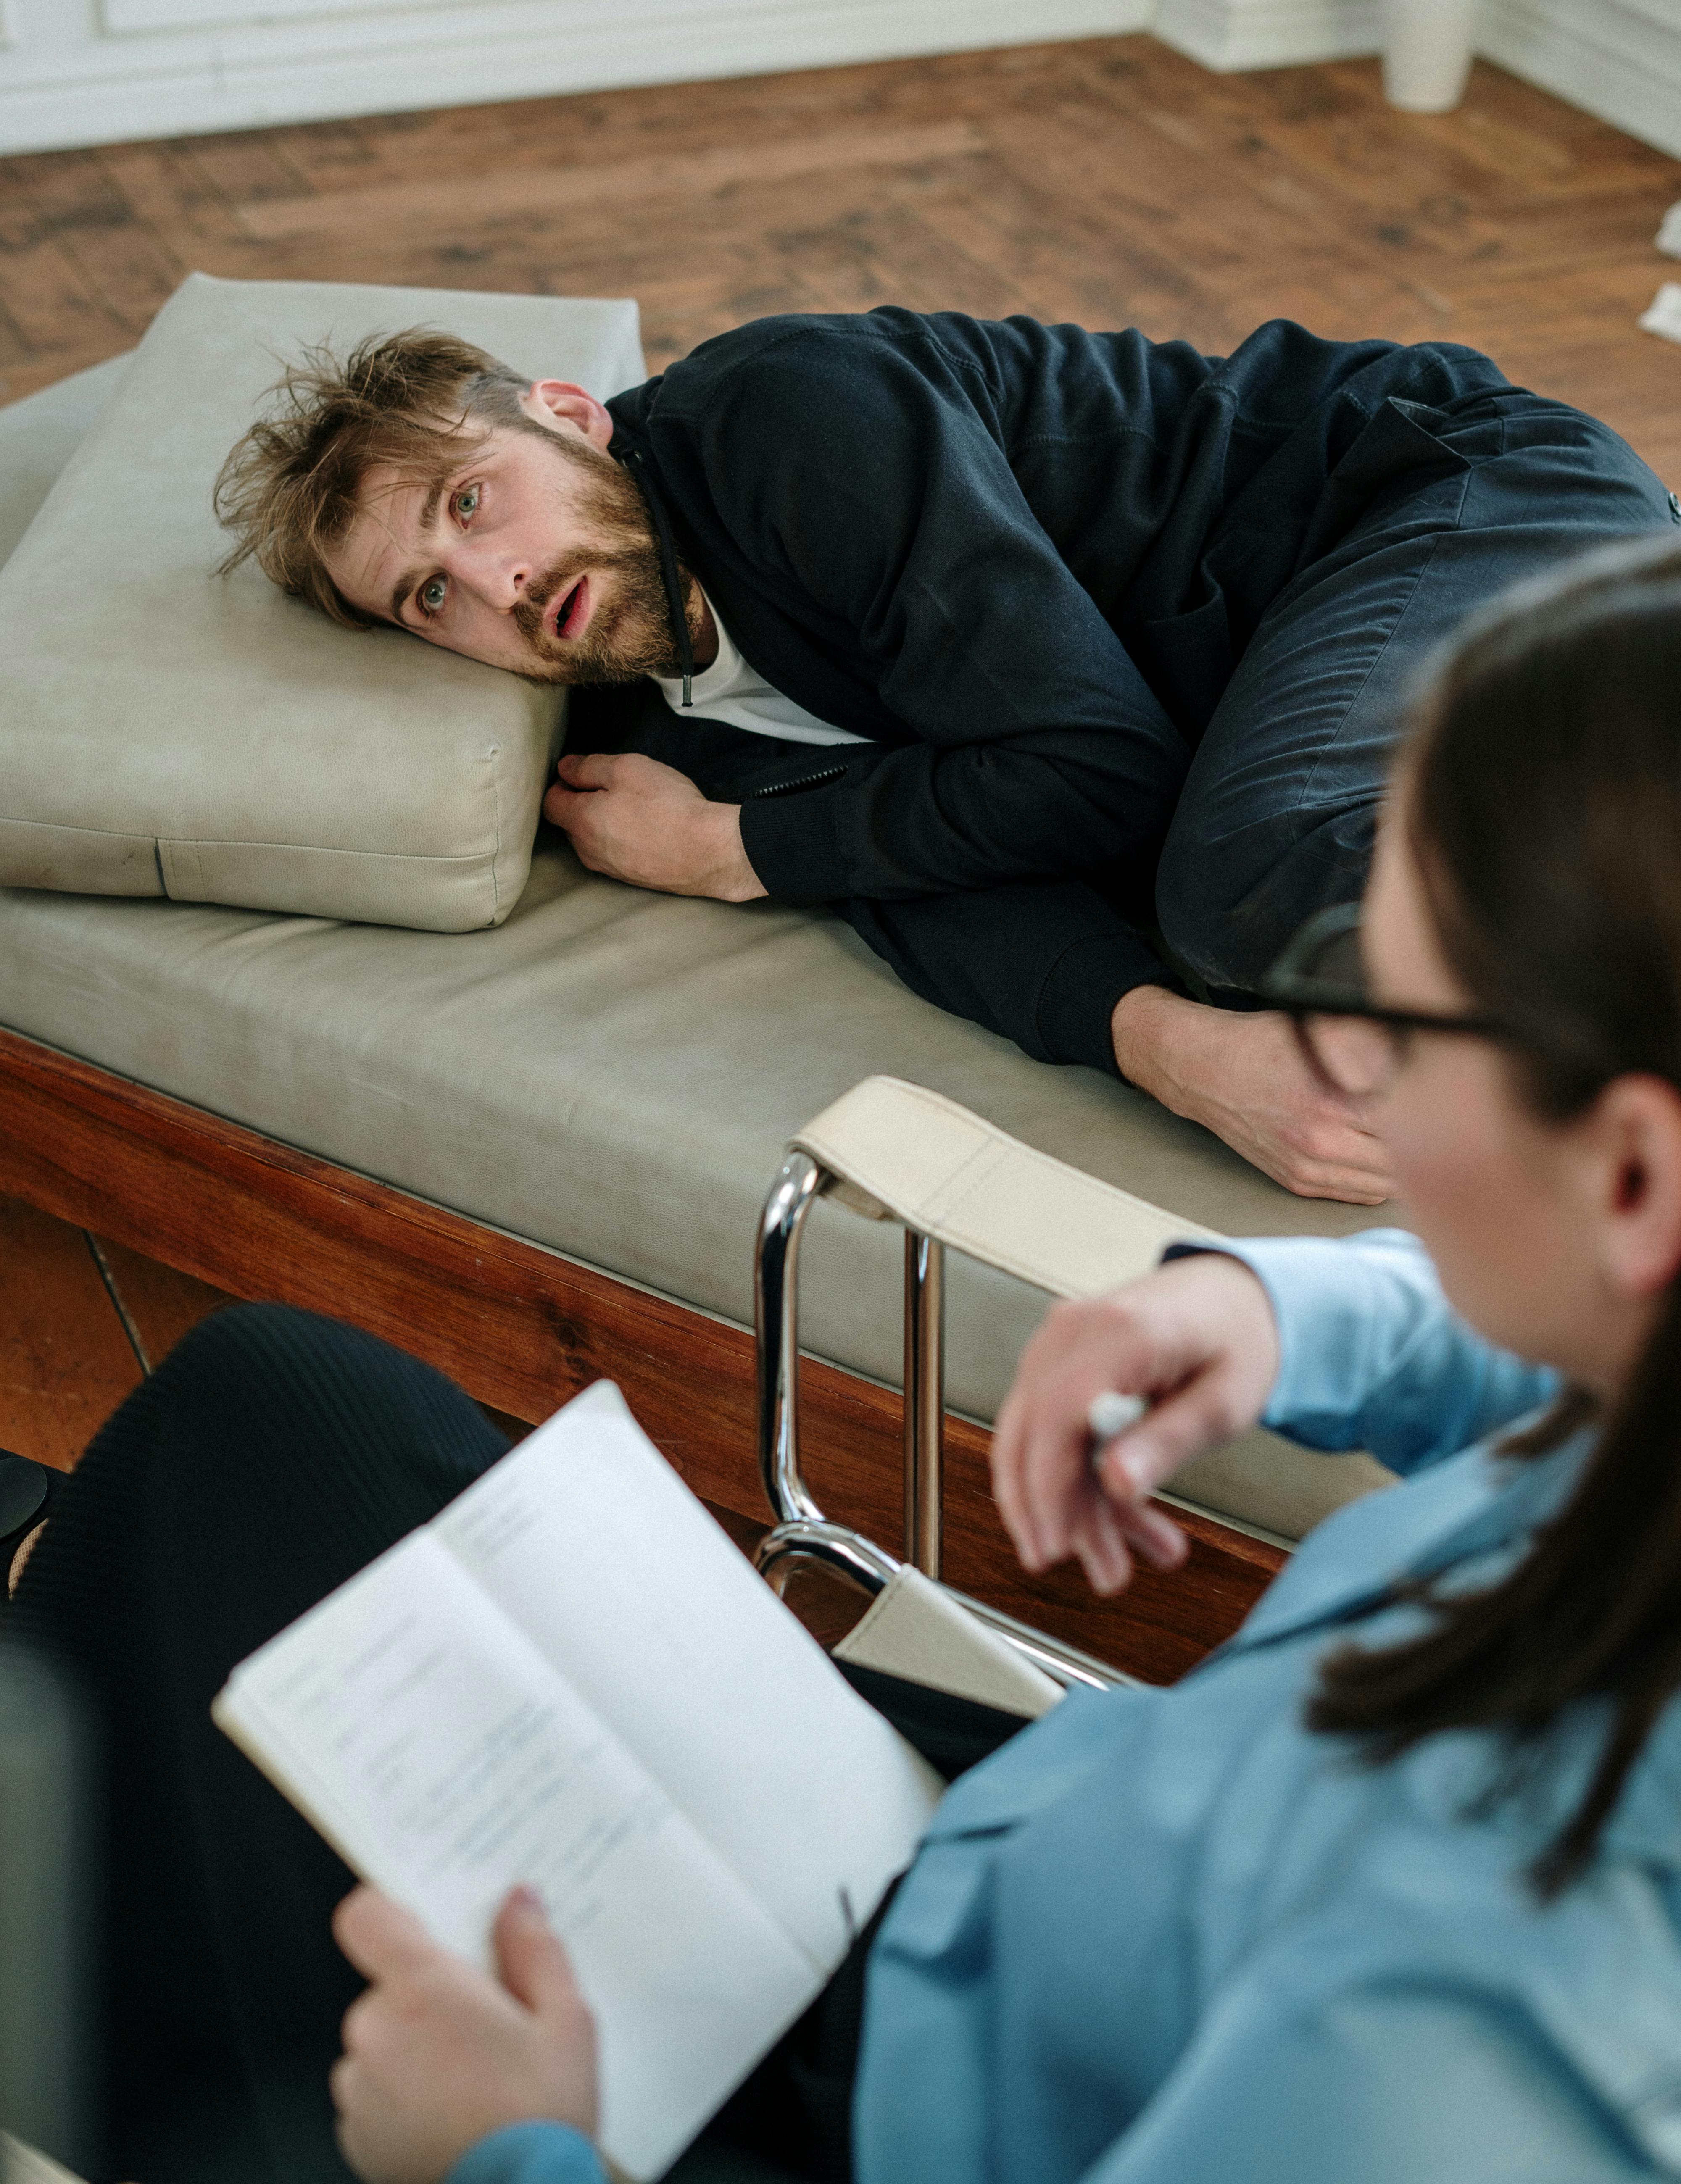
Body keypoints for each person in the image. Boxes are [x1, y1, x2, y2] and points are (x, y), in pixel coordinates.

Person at [14, 533, 1681, 2182]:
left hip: (888, 2121)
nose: (1342, 1061)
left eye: (1382, 1009)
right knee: (277, 1406)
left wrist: (510, 2150)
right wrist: (1284, 1313)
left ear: (1625, 1174)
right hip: (1003, 1869)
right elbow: (1531, 1374)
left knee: (253, 2009)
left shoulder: (1473, 2050)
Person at [212, 309, 1675, 1202]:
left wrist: (740, 854)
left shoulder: (787, 421)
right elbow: (921, 871)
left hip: (1451, 497)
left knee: (1243, 883)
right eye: (427, 596)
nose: (495, 587)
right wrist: (1176, 1051)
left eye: (475, 505)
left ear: (575, 419)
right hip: (1354, 699)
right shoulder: (623, 723)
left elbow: (1100, 771)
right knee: (1241, 933)